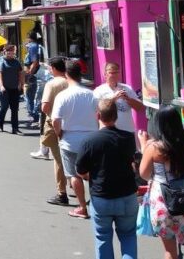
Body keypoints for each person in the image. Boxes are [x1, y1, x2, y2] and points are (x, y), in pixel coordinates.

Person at [138, 105, 184, 259]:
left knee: (170, 252)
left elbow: (144, 174)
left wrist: (143, 146)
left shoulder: (154, 148)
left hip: (163, 203)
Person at [75, 98, 138, 259]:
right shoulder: (128, 138)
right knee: (128, 235)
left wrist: (91, 177)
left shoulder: (89, 141)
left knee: (102, 237)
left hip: (102, 197)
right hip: (127, 196)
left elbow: (80, 170)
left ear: (98, 116)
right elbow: (133, 162)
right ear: (116, 116)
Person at [52, 63, 98, 219]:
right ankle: (96, 204)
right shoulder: (91, 94)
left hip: (70, 139)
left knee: (74, 175)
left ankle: (82, 207)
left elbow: (55, 120)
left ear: (66, 75)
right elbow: (99, 115)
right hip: (92, 139)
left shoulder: (63, 96)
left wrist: (59, 133)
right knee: (93, 173)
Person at [92, 63, 145, 134]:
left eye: (117, 72)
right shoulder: (99, 91)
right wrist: (114, 98)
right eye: (112, 73)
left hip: (127, 131)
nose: (114, 75)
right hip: (109, 132)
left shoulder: (127, 88)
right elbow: (96, 110)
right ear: (105, 75)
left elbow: (140, 108)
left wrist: (128, 99)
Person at [0, 44, 24, 134]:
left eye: (12, 52)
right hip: (4, 88)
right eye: (8, 52)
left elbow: (20, 73)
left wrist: (20, 83)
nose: (10, 54)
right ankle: (0, 124)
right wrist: (1, 86)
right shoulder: (1, 61)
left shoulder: (16, 62)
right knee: (4, 106)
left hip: (15, 88)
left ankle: (15, 128)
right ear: (5, 52)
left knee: (15, 108)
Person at [24, 32, 42, 125]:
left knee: (30, 95)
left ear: (29, 38)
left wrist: (29, 74)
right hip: (34, 74)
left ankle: (33, 116)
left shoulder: (32, 46)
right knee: (32, 95)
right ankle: (34, 115)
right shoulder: (37, 45)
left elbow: (35, 62)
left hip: (32, 75)